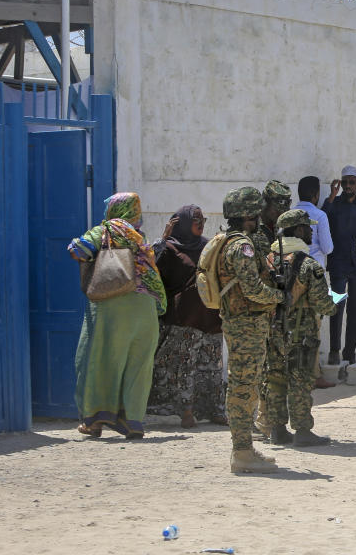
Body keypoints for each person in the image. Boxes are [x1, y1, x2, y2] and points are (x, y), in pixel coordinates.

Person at [68, 192, 166, 439]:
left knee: (99, 359)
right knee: (138, 365)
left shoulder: (106, 230)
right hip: (145, 307)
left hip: (112, 303)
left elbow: (78, 250)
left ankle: (94, 421)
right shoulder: (138, 237)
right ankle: (133, 421)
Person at [217, 187, 285, 473]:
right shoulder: (241, 246)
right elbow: (252, 288)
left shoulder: (227, 241)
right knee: (244, 387)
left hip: (241, 321)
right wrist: (280, 297)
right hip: (246, 323)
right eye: (256, 212)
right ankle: (242, 451)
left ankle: (244, 448)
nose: (259, 217)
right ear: (247, 214)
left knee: (244, 385)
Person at [262, 209, 339, 447]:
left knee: (275, 379)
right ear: (297, 230)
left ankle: (277, 430)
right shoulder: (308, 264)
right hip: (301, 332)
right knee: (300, 380)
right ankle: (303, 430)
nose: (310, 231)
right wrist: (334, 303)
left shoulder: (268, 260)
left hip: (272, 330)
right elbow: (323, 304)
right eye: (307, 227)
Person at [147, 205, 227, 428]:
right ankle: (186, 412)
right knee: (183, 367)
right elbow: (151, 273)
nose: (201, 224)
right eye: (195, 220)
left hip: (211, 318)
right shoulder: (169, 248)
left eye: (203, 219)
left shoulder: (209, 246)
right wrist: (162, 240)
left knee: (211, 366)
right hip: (184, 320)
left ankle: (214, 410)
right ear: (182, 223)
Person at [251, 179, 293, 437]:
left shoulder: (279, 233)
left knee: (278, 367)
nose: (280, 214)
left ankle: (271, 422)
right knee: (261, 369)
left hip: (278, 308)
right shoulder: (255, 236)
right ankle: (260, 421)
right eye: (277, 209)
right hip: (259, 309)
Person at [323, 166, 356, 366]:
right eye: (345, 182)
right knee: (336, 307)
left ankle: (349, 353)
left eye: (352, 182)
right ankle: (334, 351)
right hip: (337, 265)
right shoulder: (333, 205)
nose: (349, 186)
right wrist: (332, 197)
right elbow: (323, 218)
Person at [293, 175, 334, 269]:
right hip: (315, 270)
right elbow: (327, 248)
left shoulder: (288, 214)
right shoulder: (320, 215)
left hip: (294, 269)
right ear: (315, 195)